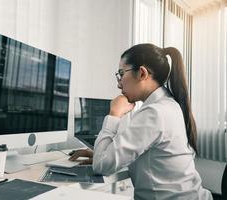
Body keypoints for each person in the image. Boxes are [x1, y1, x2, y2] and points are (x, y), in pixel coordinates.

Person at [69, 43, 212, 199]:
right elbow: (146, 156)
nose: (118, 83)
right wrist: (100, 154)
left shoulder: (155, 113)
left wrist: (114, 114)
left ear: (142, 73)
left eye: (121, 74)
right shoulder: (168, 105)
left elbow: (102, 166)